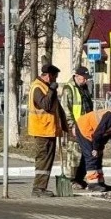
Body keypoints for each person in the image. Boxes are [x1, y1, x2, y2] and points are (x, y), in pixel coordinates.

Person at [27, 63, 68, 197]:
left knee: (47, 160)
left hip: (49, 130)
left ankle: (41, 187)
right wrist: (51, 90)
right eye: (55, 77)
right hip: (41, 130)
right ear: (49, 76)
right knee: (43, 159)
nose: (55, 80)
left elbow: (57, 108)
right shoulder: (38, 88)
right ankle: (38, 188)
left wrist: (65, 126)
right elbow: (46, 105)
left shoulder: (46, 87)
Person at [60, 66, 94, 190]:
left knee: (86, 153)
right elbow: (66, 109)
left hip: (87, 127)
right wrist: (72, 124)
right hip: (75, 127)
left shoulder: (84, 88)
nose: (86, 80)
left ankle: (79, 179)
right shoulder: (69, 89)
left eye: (86, 78)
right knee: (74, 155)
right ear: (77, 76)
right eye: (84, 78)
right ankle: (71, 180)